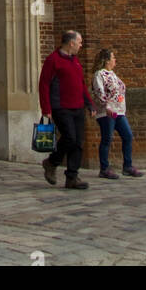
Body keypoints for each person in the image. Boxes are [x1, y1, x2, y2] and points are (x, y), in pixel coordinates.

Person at [38, 29, 95, 190]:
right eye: (79, 42)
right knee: (69, 137)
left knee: (78, 142)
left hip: (77, 107)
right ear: (71, 43)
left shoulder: (75, 61)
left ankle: (72, 176)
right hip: (60, 107)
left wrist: (89, 104)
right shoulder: (53, 60)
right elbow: (44, 85)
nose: (81, 45)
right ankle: (52, 162)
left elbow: (81, 85)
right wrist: (46, 108)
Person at [91, 48, 144, 179]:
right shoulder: (100, 74)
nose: (115, 60)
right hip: (106, 112)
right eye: (113, 58)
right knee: (107, 138)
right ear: (107, 60)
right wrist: (106, 106)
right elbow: (99, 92)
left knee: (128, 135)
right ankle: (104, 168)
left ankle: (128, 166)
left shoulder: (113, 74)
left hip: (119, 111)